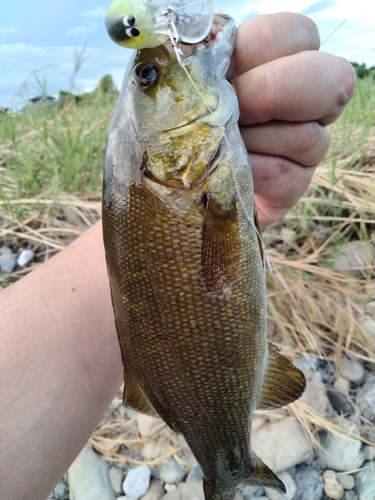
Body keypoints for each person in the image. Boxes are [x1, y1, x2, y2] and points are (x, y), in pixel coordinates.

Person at [0, 12, 355, 500]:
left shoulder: (177, 180)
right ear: (151, 160)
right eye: (149, 76)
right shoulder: (178, 180)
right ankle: (230, 467)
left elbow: (167, 257)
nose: (156, 65)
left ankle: (227, 466)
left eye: (146, 73)